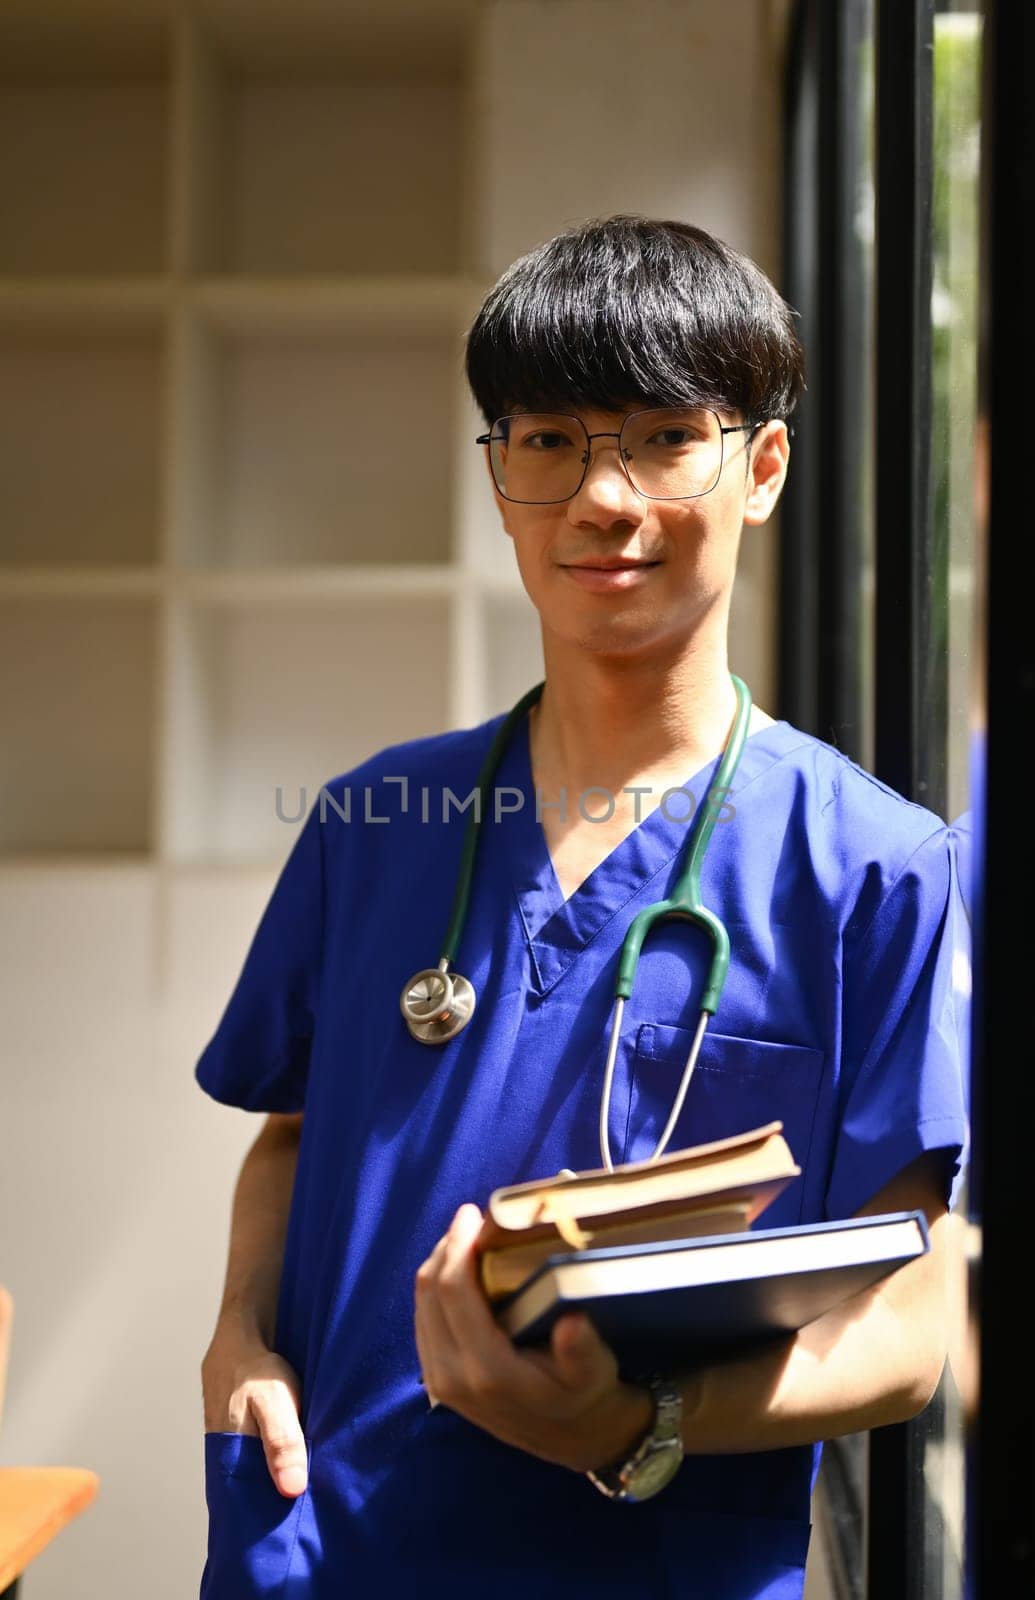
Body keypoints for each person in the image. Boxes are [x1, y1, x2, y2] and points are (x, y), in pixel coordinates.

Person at [195, 215, 970, 1599]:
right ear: (500, 483)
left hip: (649, 1561)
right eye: (548, 441)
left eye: (665, 439)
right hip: (329, 1550)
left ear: (764, 467)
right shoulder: (374, 823)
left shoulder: (875, 868)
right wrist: (237, 1342)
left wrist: (640, 1425)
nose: (602, 498)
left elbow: (910, 1319)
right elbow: (292, 1140)